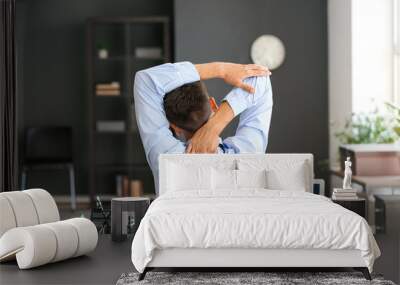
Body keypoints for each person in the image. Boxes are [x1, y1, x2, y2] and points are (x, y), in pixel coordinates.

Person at [133, 61, 273, 194]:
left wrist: (221, 70)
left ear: (174, 127)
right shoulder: (248, 154)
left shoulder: (164, 158)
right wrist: (215, 125)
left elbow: (146, 80)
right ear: (213, 104)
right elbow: (261, 79)